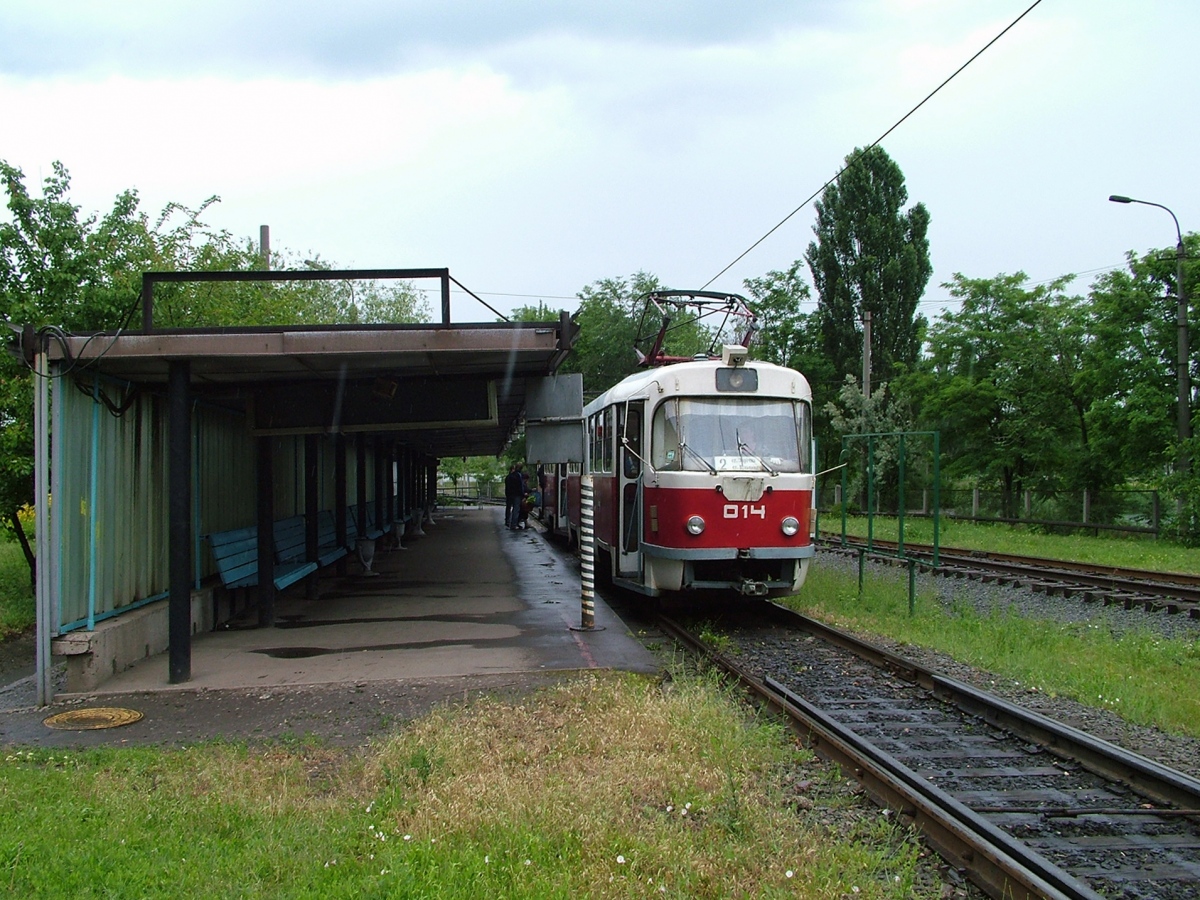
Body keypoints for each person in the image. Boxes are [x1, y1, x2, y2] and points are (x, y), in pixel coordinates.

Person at [504, 461, 525, 529]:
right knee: (516, 509)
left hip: (509, 494)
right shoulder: (519, 476)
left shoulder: (509, 476)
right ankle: (514, 524)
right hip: (517, 495)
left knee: (509, 507)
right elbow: (520, 486)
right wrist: (523, 494)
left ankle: (508, 521)